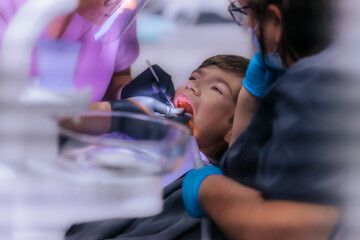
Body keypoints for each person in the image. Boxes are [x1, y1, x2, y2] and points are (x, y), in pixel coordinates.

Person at [182, 0, 352, 239]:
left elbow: (289, 230)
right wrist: (249, 99)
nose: (247, 26)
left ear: (274, 21)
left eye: (246, 14)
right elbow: (242, 171)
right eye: (192, 77)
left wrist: (206, 188)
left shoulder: (319, 84)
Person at [65, 54, 250, 240]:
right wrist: (115, 112)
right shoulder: (131, 135)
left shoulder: (197, 192)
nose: (192, 86)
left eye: (217, 89)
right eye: (194, 77)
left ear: (234, 131)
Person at [0, 0, 141, 101]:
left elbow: (119, 75)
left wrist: (132, 92)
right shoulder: (8, 8)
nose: (131, 4)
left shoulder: (118, 10)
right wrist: (110, 115)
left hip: (86, 141)